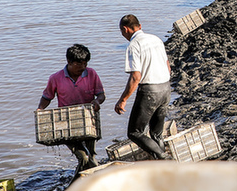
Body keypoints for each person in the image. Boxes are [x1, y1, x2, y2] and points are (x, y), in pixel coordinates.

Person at [37, 44, 105, 174]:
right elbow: (47, 97)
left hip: (88, 121)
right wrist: (40, 109)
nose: (83, 67)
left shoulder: (91, 74)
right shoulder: (56, 78)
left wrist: (97, 101)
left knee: (91, 155)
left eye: (85, 64)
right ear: (69, 61)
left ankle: (86, 180)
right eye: (79, 64)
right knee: (83, 157)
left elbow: (101, 94)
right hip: (67, 123)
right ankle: (82, 181)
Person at [115, 14, 172, 160]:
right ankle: (162, 163)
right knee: (156, 133)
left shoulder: (134, 45)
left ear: (125, 29)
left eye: (122, 32)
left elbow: (136, 77)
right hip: (165, 88)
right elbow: (168, 66)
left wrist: (123, 100)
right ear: (139, 26)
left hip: (150, 92)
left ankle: (163, 157)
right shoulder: (156, 39)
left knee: (134, 132)